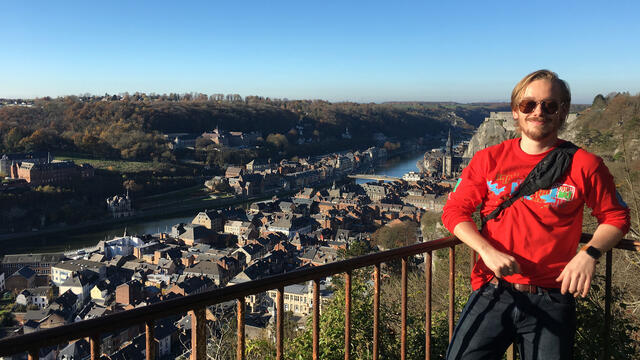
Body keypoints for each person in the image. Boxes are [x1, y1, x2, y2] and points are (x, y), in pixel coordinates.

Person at [441, 69, 630, 359]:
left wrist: (589, 254)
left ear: (563, 111)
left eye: (550, 105)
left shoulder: (586, 165)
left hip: (553, 296)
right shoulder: (488, 159)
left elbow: (616, 217)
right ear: (516, 111)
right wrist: (486, 250)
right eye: (528, 104)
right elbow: (454, 211)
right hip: (492, 287)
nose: (538, 111)